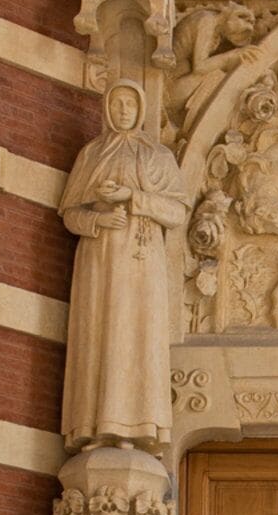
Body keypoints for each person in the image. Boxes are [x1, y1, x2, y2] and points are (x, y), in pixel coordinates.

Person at [59, 81, 187, 448]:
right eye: (117, 103)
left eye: (131, 103)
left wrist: (133, 198)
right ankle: (97, 426)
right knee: (100, 334)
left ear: (141, 108)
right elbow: (70, 214)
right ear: (107, 109)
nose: (124, 109)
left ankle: (136, 428)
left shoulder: (157, 156)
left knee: (135, 334)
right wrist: (98, 221)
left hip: (141, 263)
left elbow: (176, 211)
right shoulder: (92, 155)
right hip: (99, 262)